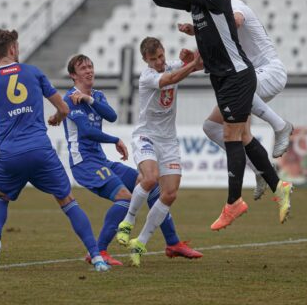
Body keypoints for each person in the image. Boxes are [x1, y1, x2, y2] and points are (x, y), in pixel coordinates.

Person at [131, 0, 292, 230]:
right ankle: (279, 186)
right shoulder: (200, 3)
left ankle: (233, 203)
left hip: (238, 76)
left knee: (232, 136)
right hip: (223, 78)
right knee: (239, 135)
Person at [0, 29, 109, 272]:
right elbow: (64, 108)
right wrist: (58, 116)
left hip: (9, 152)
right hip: (39, 148)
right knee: (68, 201)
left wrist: (10, 128)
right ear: (13, 49)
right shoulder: (33, 72)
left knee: (0, 196)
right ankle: (97, 258)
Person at [63, 54, 203, 266]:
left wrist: (89, 99)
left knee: (149, 184)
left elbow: (111, 116)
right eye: (83, 68)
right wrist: (115, 139)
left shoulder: (96, 96)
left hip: (100, 160)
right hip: (84, 163)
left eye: (90, 66)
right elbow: (86, 131)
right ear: (73, 75)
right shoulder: (70, 98)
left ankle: (173, 243)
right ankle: (98, 251)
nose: (89, 71)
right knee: (125, 197)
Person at [178, 0, 293, 201]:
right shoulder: (217, 29)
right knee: (212, 127)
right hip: (248, 77)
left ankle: (280, 125)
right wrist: (192, 62)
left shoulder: (233, 5)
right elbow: (205, 63)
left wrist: (199, 29)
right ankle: (259, 170)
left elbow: (237, 21)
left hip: (269, 72)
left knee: (238, 86)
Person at [113, 37, 202, 267]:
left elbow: (199, 66)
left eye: (161, 56)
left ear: (164, 52)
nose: (160, 62)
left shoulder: (171, 64)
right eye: (154, 59)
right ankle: (127, 222)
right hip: (146, 136)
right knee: (150, 178)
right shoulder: (147, 77)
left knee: (170, 193)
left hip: (168, 141)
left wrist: (195, 56)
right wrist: (190, 65)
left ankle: (140, 242)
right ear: (145, 60)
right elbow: (172, 78)